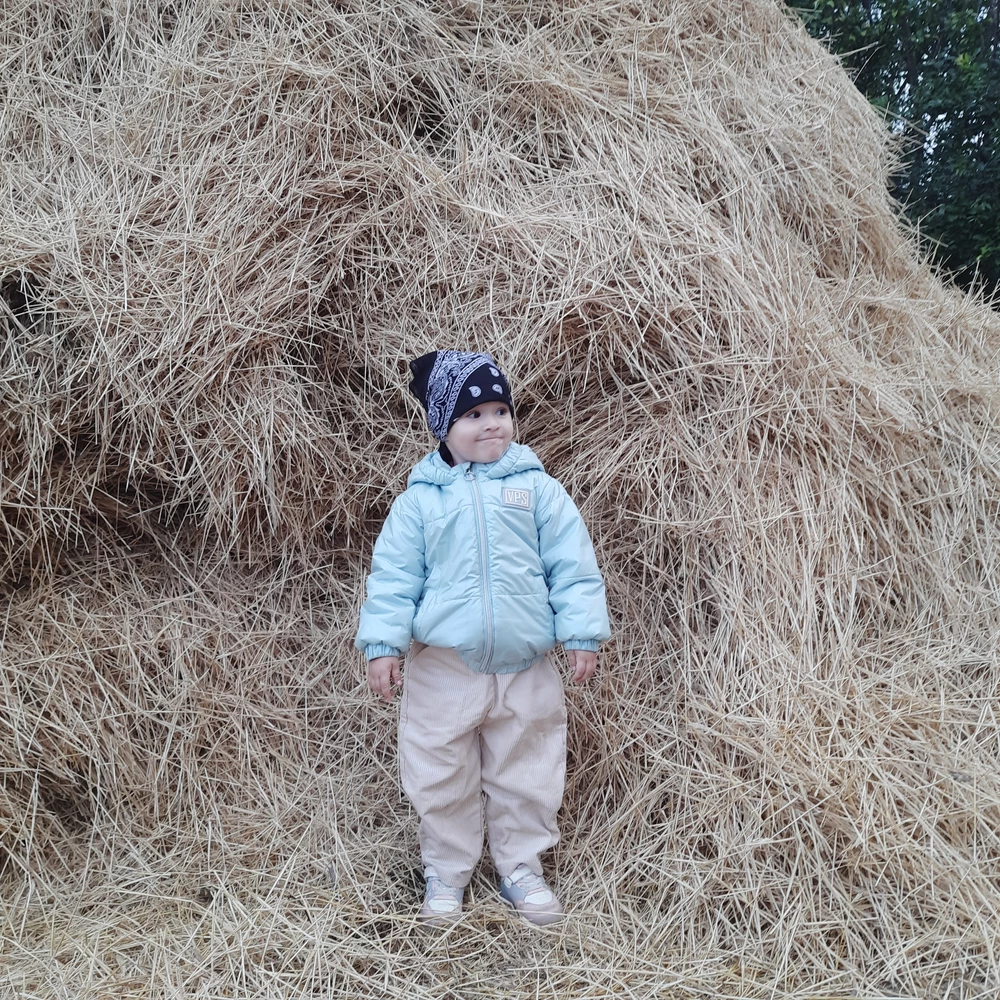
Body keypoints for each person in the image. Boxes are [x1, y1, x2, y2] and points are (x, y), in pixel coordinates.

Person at [355, 349, 610, 926]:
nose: (491, 422)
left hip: (525, 666)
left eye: (500, 409)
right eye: (473, 414)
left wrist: (581, 633)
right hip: (445, 667)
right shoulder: (419, 502)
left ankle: (521, 866)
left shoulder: (538, 490)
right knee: (439, 771)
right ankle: (447, 869)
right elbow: (394, 579)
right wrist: (382, 645)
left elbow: (571, 565)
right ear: (443, 427)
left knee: (528, 768)